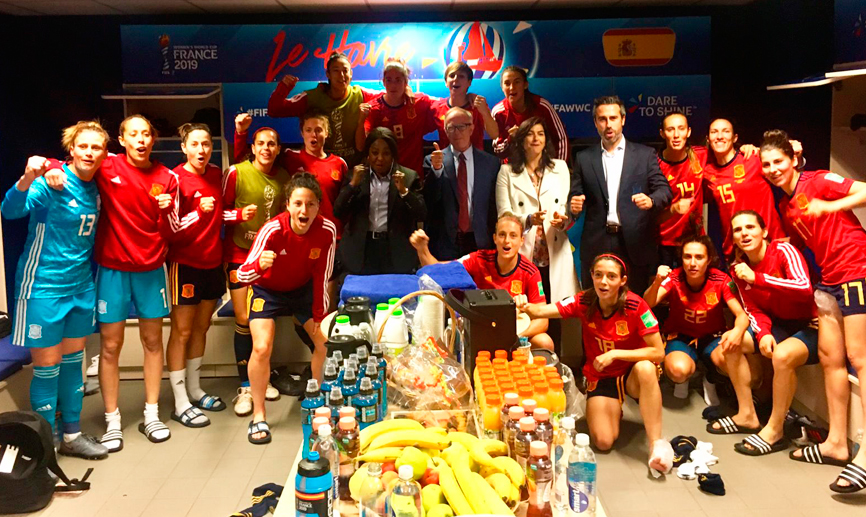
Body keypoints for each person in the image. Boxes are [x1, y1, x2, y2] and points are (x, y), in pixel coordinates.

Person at [45, 115, 183, 449]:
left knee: (153, 342)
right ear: (121, 140)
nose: (140, 140)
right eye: (133, 134)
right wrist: (49, 164)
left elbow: (172, 232)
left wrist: (165, 212)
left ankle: (151, 414)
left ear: (153, 140)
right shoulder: (108, 166)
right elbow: (72, 163)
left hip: (151, 270)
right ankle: (113, 421)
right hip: (113, 270)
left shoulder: (167, 178)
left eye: (146, 134)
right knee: (110, 346)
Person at [760, 129, 865, 493]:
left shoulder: (818, 180)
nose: (773, 169)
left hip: (857, 270)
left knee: (860, 358)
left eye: (779, 162)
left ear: (792, 160)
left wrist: (831, 205)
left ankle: (865, 455)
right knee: (829, 358)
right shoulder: (787, 206)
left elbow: (864, 191)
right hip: (829, 281)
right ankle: (837, 443)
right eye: (767, 164)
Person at [2, 122, 110, 459]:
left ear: (104, 154)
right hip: (43, 288)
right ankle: (44, 444)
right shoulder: (52, 183)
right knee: (47, 366)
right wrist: (28, 176)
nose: (90, 152)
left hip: (80, 287)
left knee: (73, 362)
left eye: (97, 147)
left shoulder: (97, 187)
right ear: (72, 151)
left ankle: (72, 435)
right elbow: (10, 210)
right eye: (84, 146)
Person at [517, 254, 673, 475]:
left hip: (631, 375)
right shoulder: (584, 300)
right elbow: (542, 311)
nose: (604, 282)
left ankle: (656, 443)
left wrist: (616, 354)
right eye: (598, 275)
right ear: (591, 276)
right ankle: (612, 409)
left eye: (611, 276)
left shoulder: (636, 305)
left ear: (623, 280)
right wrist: (524, 304)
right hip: (601, 376)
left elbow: (658, 352)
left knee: (646, 367)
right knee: (603, 441)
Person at [237, 173, 336, 444]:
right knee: (261, 348)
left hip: (302, 290)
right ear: (288, 205)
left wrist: (319, 315)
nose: (304, 210)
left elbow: (322, 275)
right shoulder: (272, 230)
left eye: (311, 204)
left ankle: (316, 404)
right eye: (298, 203)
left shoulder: (327, 230)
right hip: (267, 291)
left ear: (318, 206)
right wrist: (260, 266)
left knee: (324, 343)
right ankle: (259, 415)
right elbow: (243, 274)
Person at [727, 210, 824, 457]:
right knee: (730, 343)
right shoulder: (739, 268)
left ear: (764, 231)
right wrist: (763, 334)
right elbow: (753, 309)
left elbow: (803, 287)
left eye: (750, 227)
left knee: (781, 356)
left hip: (810, 325)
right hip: (779, 325)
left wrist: (758, 278)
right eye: (738, 230)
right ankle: (747, 413)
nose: (744, 233)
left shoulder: (783, 252)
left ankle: (774, 430)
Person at [569, 96, 673, 296]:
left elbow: (665, 191)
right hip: (596, 243)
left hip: (635, 243)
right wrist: (573, 205)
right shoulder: (584, 158)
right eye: (602, 119)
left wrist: (651, 201)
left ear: (623, 119)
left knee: (634, 306)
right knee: (594, 308)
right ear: (595, 123)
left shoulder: (645, 155)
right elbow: (575, 194)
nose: (608, 124)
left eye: (613, 118)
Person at [409, 214, 554, 350]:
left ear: (522, 240)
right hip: (479, 327)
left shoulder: (530, 271)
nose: (507, 241)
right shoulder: (478, 259)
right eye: (502, 235)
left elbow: (543, 321)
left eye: (513, 236)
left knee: (544, 341)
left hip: (515, 332)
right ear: (495, 238)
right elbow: (439, 272)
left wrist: (518, 335)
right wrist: (423, 250)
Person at [496, 117, 579, 350]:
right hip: (523, 252)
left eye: (541, 134)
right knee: (522, 314)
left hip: (554, 251)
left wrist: (562, 220)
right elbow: (504, 215)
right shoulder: (506, 171)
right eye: (530, 134)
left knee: (554, 312)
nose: (536, 139)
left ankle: (555, 368)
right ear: (521, 141)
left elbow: (565, 208)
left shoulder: (560, 168)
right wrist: (528, 219)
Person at [223, 126, 288, 417]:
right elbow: (218, 213)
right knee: (243, 317)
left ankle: (263, 374)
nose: (266, 148)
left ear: (277, 148)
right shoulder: (236, 172)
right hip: (239, 255)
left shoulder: (284, 178)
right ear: (252, 147)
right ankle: (246, 386)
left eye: (272, 144)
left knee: (263, 317)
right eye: (261, 143)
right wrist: (238, 215)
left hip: (268, 258)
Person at [164, 123, 225, 428]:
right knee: (182, 331)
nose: (202, 150)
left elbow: (219, 213)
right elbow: (171, 229)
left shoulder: (215, 173)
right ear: (184, 147)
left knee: (202, 328)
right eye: (196, 144)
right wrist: (198, 212)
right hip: (184, 264)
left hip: (212, 263)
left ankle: (195, 388)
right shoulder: (174, 178)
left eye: (207, 144)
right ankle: (178, 401)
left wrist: (239, 215)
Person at [643, 236, 750, 406]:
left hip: (714, 336)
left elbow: (742, 315)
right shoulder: (674, 277)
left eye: (699, 257)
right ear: (682, 259)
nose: (692, 263)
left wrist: (737, 332)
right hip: (680, 336)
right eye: (687, 256)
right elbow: (647, 304)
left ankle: (711, 379)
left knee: (732, 364)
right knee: (678, 371)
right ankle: (683, 379)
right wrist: (657, 281)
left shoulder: (721, 279)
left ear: (709, 260)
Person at [334, 127, 426, 275]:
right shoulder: (356, 176)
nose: (380, 158)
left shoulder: (408, 177)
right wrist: (352, 186)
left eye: (386, 153)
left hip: (395, 251)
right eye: (375, 153)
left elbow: (421, 213)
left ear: (393, 155)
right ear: (368, 155)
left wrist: (403, 191)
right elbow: (338, 211)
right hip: (361, 251)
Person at [265, 52, 381, 166]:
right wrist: (283, 88)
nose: (341, 75)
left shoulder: (360, 95)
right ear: (328, 74)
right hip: (321, 167)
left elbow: (389, 97)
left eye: (345, 70)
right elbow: (274, 110)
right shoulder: (312, 98)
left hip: (354, 169)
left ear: (351, 74)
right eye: (336, 70)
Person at [703, 118, 787, 259]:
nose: (719, 136)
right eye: (714, 132)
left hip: (770, 244)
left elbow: (787, 168)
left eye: (726, 131)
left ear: (735, 137)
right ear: (708, 138)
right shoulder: (707, 172)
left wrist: (798, 155)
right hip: (737, 250)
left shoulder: (753, 158)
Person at [423, 107, 499, 260]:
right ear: (445, 130)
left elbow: (493, 207)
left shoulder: (490, 163)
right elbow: (428, 201)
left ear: (471, 128)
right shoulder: (433, 160)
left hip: (480, 241)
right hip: (446, 243)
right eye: (451, 127)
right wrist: (436, 170)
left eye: (462, 126)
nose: (457, 132)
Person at [358, 59, 435, 177]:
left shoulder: (419, 102)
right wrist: (361, 120)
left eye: (398, 80)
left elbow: (446, 104)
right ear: (383, 82)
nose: (393, 85)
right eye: (389, 80)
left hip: (412, 177)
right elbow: (361, 146)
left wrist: (469, 97)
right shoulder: (374, 109)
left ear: (406, 82)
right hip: (383, 177)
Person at [491, 65, 569, 162]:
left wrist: (558, 170)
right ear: (502, 87)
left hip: (542, 167)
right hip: (512, 170)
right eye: (507, 83)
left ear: (525, 85)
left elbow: (561, 139)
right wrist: (511, 139)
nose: (512, 87)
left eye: (517, 82)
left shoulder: (542, 106)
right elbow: (498, 151)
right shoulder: (498, 112)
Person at [428, 61, 499, 150]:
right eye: (452, 75)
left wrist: (485, 112)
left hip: (475, 161)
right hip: (447, 161)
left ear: (469, 82)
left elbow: (495, 134)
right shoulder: (437, 108)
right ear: (446, 82)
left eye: (461, 76)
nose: (455, 79)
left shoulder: (478, 106)